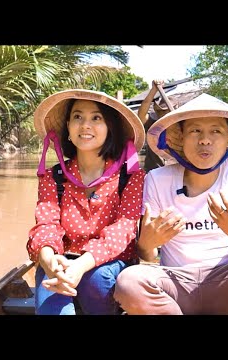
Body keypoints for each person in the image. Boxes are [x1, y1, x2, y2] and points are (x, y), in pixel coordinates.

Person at [114, 93, 228, 315]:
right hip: (176, 284)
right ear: (180, 138)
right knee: (129, 281)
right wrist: (147, 243)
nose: (205, 140)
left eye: (216, 131)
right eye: (195, 131)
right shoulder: (157, 178)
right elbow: (147, 256)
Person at [27, 89, 146, 315]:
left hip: (108, 264)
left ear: (109, 127)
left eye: (96, 118)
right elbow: (46, 223)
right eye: (78, 117)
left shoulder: (130, 177)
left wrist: (81, 266)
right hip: (61, 260)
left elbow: (123, 230)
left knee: (97, 279)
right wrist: (49, 261)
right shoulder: (54, 177)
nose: (85, 125)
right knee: (51, 303)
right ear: (68, 128)